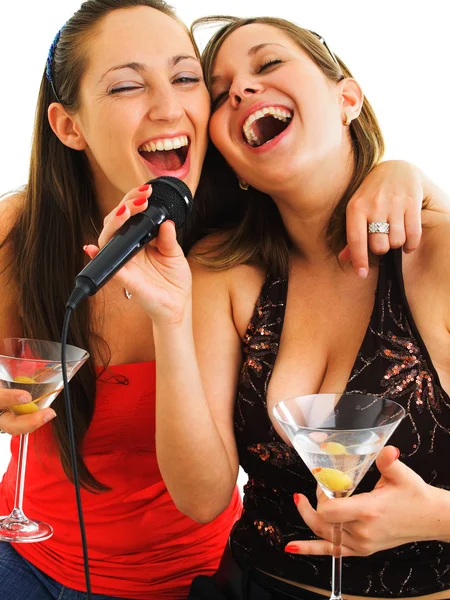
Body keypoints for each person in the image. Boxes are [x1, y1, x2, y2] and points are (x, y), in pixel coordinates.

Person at [87, 12, 450, 600]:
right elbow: (202, 499)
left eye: (269, 63)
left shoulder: (437, 256)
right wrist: (170, 320)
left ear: (347, 97)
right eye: (223, 93)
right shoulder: (222, 274)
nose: (244, 90)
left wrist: (436, 517)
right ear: (232, 159)